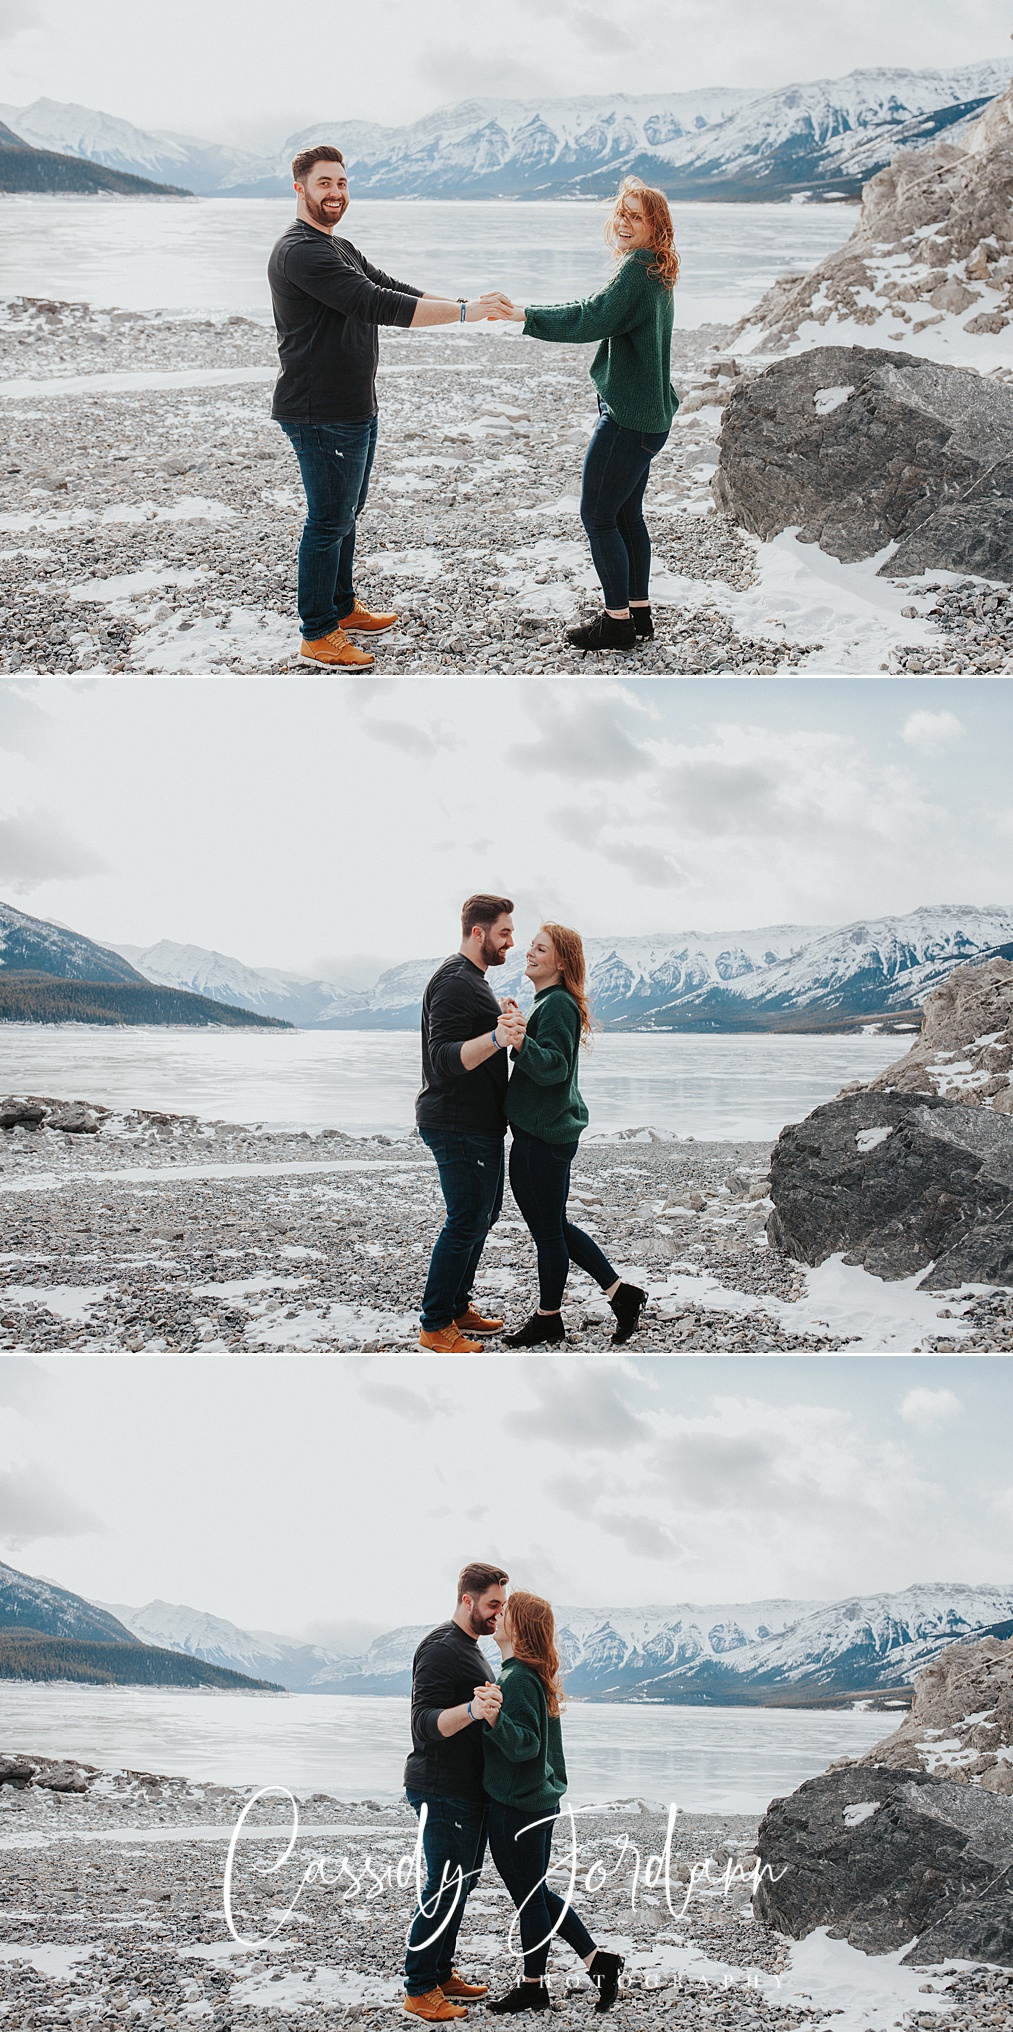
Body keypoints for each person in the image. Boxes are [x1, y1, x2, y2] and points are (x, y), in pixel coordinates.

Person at [268, 145, 512, 669]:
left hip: (353, 406)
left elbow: (391, 287)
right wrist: (466, 313)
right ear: (299, 189)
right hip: (319, 411)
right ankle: (316, 632)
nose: (335, 193)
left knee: (346, 514)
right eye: (323, 184)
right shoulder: (300, 252)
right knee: (328, 520)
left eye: (341, 183)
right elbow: (376, 305)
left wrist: (464, 303)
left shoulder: (337, 246)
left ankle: (341, 606)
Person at [497, 179, 680, 656]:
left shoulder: (640, 268)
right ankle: (638, 615)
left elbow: (591, 317)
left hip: (628, 420)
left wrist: (524, 315)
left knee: (598, 517)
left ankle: (616, 623)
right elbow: (601, 314)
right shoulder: (657, 268)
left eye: (636, 216)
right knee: (626, 515)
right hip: (650, 419)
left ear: (655, 226)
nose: (623, 221)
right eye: (621, 212)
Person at [503, 924, 646, 1348]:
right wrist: (521, 1028)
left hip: (543, 1139)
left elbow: (554, 1068)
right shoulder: (549, 1001)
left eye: (540, 948)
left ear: (560, 962)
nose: (529, 952)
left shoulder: (560, 1004)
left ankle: (549, 1319)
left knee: (548, 1233)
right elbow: (548, 1057)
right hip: (543, 1135)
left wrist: (520, 1038)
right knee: (553, 1226)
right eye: (531, 945)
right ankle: (622, 1295)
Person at [482, 1592, 625, 2014]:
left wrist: (492, 1718)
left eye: (504, 1612)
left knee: (529, 1899)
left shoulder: (519, 1679)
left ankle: (533, 1987)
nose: (497, 1616)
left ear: (519, 1628)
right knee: (536, 1894)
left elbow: (526, 1746)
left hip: (518, 1806)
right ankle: (598, 1962)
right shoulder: (524, 1675)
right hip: (533, 1803)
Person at [416, 894, 526, 1353]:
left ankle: (458, 1306)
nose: (511, 942)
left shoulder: (472, 981)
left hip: (477, 1123)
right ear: (477, 932)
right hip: (456, 1122)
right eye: (504, 932)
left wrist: (501, 1021)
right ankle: (435, 1324)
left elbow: (471, 1036)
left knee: (484, 1214)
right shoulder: (455, 982)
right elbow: (442, 1059)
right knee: (465, 1219)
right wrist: (499, 1036)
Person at [403, 1563, 509, 2023]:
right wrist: (470, 1709)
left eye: (502, 1606)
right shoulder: (442, 1648)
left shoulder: (472, 1648)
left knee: (462, 1885)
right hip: (441, 1788)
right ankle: (419, 1987)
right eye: (492, 1605)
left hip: (467, 1791)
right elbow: (423, 1723)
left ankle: (441, 1972)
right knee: (443, 1889)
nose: (498, 1615)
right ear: (467, 1599)